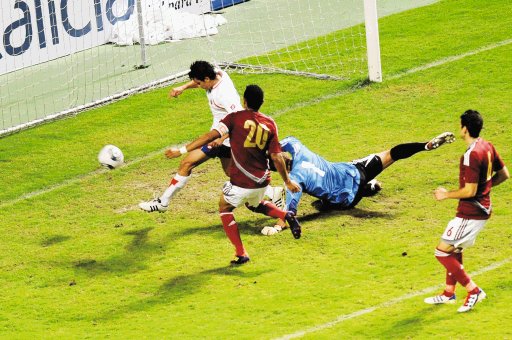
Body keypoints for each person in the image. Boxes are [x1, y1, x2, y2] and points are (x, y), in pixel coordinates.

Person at [166, 84, 303, 265]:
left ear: (244, 101)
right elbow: (277, 157)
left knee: (225, 208)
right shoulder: (270, 124)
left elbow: (209, 136)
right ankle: (286, 215)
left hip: (242, 181)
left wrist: (182, 150)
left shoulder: (234, 118)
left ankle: (241, 253)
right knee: (254, 204)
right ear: (262, 103)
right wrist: (287, 181)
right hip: (262, 181)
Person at [139, 61, 283, 212]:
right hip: (220, 137)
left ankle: (163, 202)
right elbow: (198, 82)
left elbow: (240, 118)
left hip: (223, 139)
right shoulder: (216, 74)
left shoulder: (225, 95)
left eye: (199, 83)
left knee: (187, 163)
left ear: (207, 79)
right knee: (231, 173)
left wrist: (219, 139)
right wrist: (183, 87)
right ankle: (273, 192)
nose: (198, 85)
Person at [261, 132, 456, 236]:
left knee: (321, 205)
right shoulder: (297, 147)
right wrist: (269, 147)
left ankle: (368, 188)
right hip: (353, 171)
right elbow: (283, 141)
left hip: (347, 198)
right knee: (391, 154)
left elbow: (290, 213)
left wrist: (278, 227)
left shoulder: (294, 180)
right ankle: (425, 146)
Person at [424, 110, 509, 312]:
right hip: (480, 208)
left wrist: (446, 194)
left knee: (442, 252)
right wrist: (484, 190)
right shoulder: (487, 146)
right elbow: (504, 174)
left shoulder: (471, 155)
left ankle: (474, 290)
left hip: (471, 212)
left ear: (465, 128)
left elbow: (469, 191)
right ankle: (448, 293)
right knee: (455, 249)